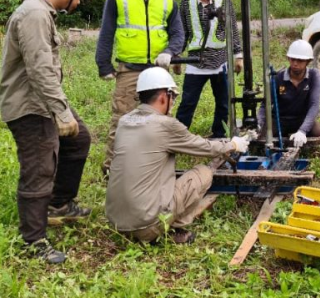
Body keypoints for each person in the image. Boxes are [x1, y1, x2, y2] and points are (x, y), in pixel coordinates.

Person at [0, 0, 95, 264]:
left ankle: (58, 204)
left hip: (43, 102)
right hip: (30, 107)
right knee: (39, 167)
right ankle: (33, 241)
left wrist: (62, 110)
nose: (80, 1)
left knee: (78, 140)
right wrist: (61, 112)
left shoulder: (42, 12)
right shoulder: (35, 15)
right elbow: (39, 70)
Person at [106, 67, 250, 244]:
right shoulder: (165, 124)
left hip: (115, 222)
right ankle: (169, 228)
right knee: (203, 173)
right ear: (163, 97)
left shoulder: (124, 121)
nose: (173, 103)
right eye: (172, 97)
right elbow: (204, 147)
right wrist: (233, 144)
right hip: (147, 225)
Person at [95, 0, 185, 175]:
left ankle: (160, 169)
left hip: (159, 70)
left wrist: (169, 52)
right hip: (130, 70)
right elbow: (107, 31)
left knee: (162, 122)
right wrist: (103, 63)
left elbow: (178, 33)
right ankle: (112, 172)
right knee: (122, 121)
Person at [174, 0, 242, 138]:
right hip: (195, 63)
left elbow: (232, 29)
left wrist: (238, 55)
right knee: (188, 103)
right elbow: (182, 31)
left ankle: (219, 135)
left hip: (220, 62)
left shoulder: (223, 0)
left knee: (223, 103)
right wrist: (177, 56)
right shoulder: (186, 1)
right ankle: (178, 137)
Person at [258, 40, 320, 148]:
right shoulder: (277, 77)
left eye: (300, 60)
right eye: (293, 59)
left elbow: (314, 105)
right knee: (259, 137)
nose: (295, 63)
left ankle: (303, 145)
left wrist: (303, 130)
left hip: (301, 119)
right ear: (288, 59)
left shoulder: (314, 76)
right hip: (279, 120)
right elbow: (264, 105)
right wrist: (259, 123)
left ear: (307, 61)